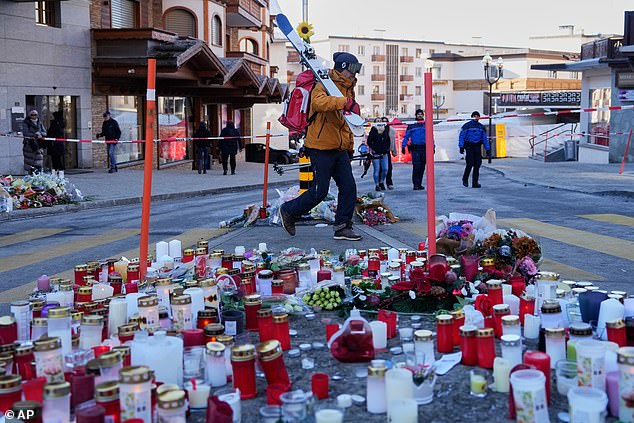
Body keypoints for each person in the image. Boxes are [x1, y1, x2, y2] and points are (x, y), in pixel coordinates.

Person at [279, 52, 363, 241]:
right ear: (343, 67)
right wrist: (346, 102)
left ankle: (343, 226)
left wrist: (349, 146)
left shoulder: (349, 88)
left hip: (339, 149)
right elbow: (318, 103)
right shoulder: (323, 82)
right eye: (353, 69)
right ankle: (288, 211)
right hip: (319, 147)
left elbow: (345, 122)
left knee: (349, 187)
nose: (355, 74)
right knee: (319, 191)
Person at [459, 111, 490, 188]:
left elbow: (484, 139)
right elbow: (462, 136)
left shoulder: (481, 127)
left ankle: (475, 182)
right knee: (469, 164)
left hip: (477, 147)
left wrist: (487, 149)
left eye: (477, 116)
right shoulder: (467, 126)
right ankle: (465, 179)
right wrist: (461, 146)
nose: (476, 117)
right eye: (475, 116)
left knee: (477, 164)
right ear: (472, 117)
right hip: (469, 146)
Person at [401, 109, 427, 190]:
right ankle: (415, 184)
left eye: (421, 114)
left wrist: (433, 147)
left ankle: (419, 183)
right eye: (418, 114)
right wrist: (403, 146)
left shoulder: (426, 124)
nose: (420, 115)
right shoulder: (412, 125)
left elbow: (431, 136)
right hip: (415, 148)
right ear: (416, 115)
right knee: (416, 166)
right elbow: (406, 136)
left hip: (424, 148)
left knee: (422, 167)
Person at [367, 117, 390, 191]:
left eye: (380, 121)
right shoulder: (373, 130)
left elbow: (388, 141)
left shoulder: (385, 130)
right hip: (376, 153)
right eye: (377, 121)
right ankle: (377, 184)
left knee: (385, 169)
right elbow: (369, 141)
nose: (379, 122)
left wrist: (386, 149)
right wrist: (375, 149)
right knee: (376, 169)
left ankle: (381, 181)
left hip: (384, 153)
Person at [22, 109, 47, 174]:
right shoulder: (26, 122)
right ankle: (31, 177)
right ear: (29, 115)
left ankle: (38, 176)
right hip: (29, 145)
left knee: (38, 162)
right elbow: (25, 133)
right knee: (30, 163)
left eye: (35, 114)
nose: (34, 116)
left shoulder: (39, 122)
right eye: (32, 114)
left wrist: (40, 134)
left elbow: (45, 132)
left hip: (38, 145)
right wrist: (35, 134)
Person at [384, 117, 395, 190]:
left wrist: (394, 151)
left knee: (389, 168)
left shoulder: (391, 130)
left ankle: (389, 183)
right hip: (379, 151)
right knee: (380, 169)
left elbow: (393, 142)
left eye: (386, 121)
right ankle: (380, 183)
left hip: (387, 151)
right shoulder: (376, 129)